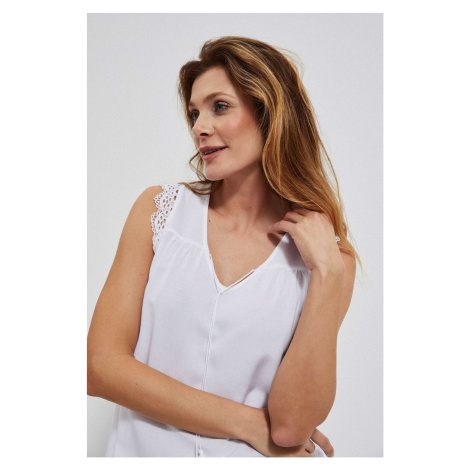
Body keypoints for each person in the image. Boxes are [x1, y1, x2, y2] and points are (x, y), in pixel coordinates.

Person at [87, 36, 360, 458]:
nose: (199, 126)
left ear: (270, 113)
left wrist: (325, 272)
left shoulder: (328, 259)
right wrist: (248, 423)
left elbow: (290, 427)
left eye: (219, 106)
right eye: (194, 112)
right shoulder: (159, 213)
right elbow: (100, 368)